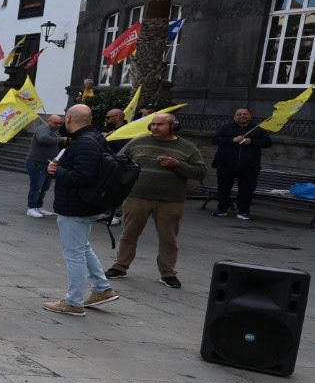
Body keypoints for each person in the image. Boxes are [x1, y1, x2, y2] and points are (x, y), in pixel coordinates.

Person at [107, 111, 205, 289]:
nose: (155, 127)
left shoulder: (187, 147)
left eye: (160, 124)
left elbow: (200, 172)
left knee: (168, 238)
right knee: (129, 233)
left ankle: (168, 273)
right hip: (137, 196)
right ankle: (120, 266)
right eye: (153, 124)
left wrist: (177, 165)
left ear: (172, 126)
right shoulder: (138, 141)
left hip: (170, 200)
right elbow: (118, 160)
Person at [43, 104, 121, 317]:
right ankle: (102, 289)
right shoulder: (94, 138)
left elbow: (82, 177)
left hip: (76, 205)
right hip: (84, 204)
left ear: (69, 119)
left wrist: (57, 172)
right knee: (82, 247)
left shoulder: (85, 143)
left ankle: (73, 301)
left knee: (74, 253)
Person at [211, 108, 272, 221]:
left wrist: (252, 141)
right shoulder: (226, 128)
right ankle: (222, 209)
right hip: (226, 164)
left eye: (245, 114)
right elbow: (215, 140)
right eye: (239, 114)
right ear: (235, 116)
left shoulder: (258, 129)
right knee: (223, 188)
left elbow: (268, 143)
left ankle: (244, 211)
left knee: (246, 190)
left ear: (250, 116)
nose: (242, 116)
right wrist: (232, 140)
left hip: (249, 166)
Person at [25, 114, 64, 218]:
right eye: (56, 123)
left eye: (60, 123)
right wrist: (60, 139)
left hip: (47, 163)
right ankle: (31, 208)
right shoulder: (43, 128)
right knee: (37, 186)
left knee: (44, 187)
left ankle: (38, 206)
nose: (58, 125)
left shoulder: (53, 132)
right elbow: (43, 139)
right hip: (37, 163)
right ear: (48, 121)